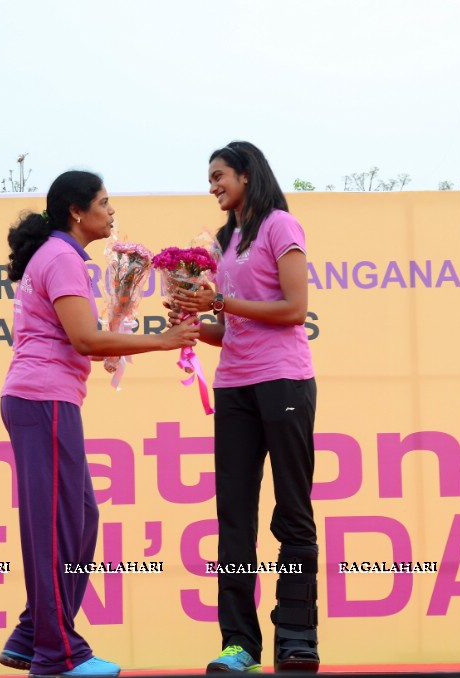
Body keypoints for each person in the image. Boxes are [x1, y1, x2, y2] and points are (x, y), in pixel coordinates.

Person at [0, 170, 199, 678]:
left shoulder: (63, 258)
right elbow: (85, 342)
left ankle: (31, 635)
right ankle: (58, 655)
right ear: (76, 212)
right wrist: (162, 339)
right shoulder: (62, 257)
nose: (112, 213)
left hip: (49, 401)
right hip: (41, 401)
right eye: (105, 203)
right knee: (56, 531)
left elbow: (83, 336)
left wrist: (119, 332)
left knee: (81, 521)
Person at [171, 141, 320, 674]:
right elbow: (230, 327)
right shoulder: (224, 239)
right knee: (234, 519)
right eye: (209, 178)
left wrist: (220, 302)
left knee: (293, 513)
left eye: (219, 175)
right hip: (233, 386)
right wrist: (194, 319)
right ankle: (239, 643)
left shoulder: (281, 225)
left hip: (283, 382)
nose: (212, 185)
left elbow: (294, 309)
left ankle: (297, 635)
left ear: (246, 175)